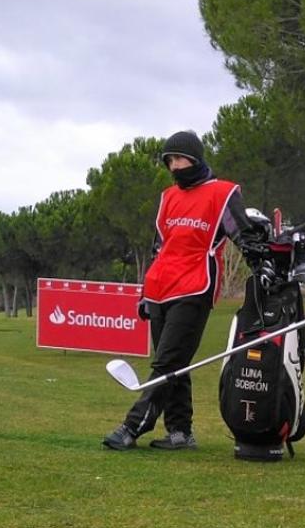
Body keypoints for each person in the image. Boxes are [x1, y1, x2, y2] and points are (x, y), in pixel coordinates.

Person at [102, 130, 273, 451]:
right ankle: (181, 433)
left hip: (195, 287)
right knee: (175, 363)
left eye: (179, 159)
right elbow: (159, 249)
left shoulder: (221, 194)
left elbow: (243, 236)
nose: (174, 167)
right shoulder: (168, 197)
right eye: (169, 161)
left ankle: (132, 427)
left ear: (195, 159)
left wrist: (262, 267)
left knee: (166, 363)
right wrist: (144, 293)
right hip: (159, 288)